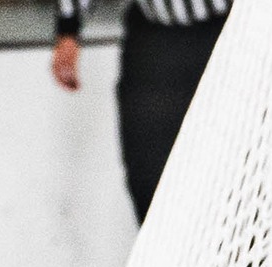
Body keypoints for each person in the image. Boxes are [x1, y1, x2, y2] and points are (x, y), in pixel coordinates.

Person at [52, 0, 231, 222]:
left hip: (226, 31)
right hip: (153, 37)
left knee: (231, 164)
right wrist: (68, 31)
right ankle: (162, 251)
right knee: (147, 173)